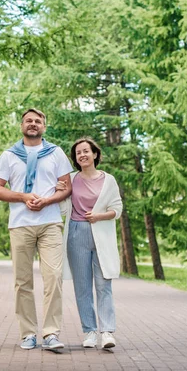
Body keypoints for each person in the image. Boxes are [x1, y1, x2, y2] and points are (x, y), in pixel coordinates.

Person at [0, 108, 73, 350]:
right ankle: (28, 333)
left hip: (49, 223)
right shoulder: (9, 156)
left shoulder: (56, 153)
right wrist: (23, 196)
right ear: (22, 126)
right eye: (29, 120)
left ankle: (50, 333)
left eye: (38, 121)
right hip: (20, 224)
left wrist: (46, 201)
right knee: (22, 281)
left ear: (44, 127)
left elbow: (66, 187)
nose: (33, 124)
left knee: (54, 278)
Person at [59, 137, 123, 349]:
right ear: (76, 158)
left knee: (104, 284)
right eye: (78, 153)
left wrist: (99, 216)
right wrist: (59, 191)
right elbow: (61, 206)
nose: (82, 155)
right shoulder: (71, 178)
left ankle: (107, 332)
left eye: (86, 151)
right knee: (82, 287)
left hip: (101, 234)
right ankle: (89, 332)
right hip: (76, 234)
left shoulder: (109, 180)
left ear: (95, 154)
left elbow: (117, 210)